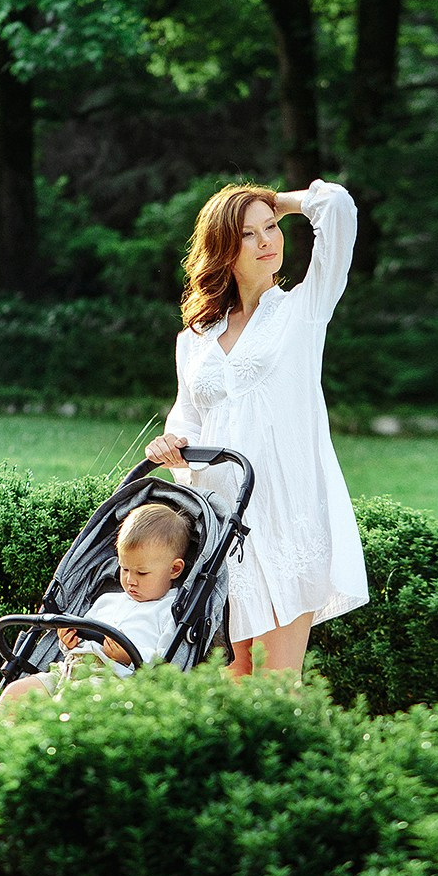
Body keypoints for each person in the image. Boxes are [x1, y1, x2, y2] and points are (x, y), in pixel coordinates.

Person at [144, 179, 368, 677]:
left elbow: (337, 206)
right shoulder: (196, 338)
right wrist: (172, 442)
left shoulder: (302, 312)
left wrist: (278, 203)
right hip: (221, 521)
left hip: (285, 516)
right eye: (249, 234)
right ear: (223, 248)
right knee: (235, 676)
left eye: (271, 229)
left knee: (274, 682)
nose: (269, 240)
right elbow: (188, 417)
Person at [0, 503, 191, 712]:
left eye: (142, 573)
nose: (130, 580)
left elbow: (166, 663)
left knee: (68, 704)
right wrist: (69, 642)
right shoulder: (107, 600)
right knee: (17, 691)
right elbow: (82, 638)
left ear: (174, 569)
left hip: (113, 683)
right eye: (124, 569)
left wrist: (128, 657)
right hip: (68, 670)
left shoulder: (171, 610)